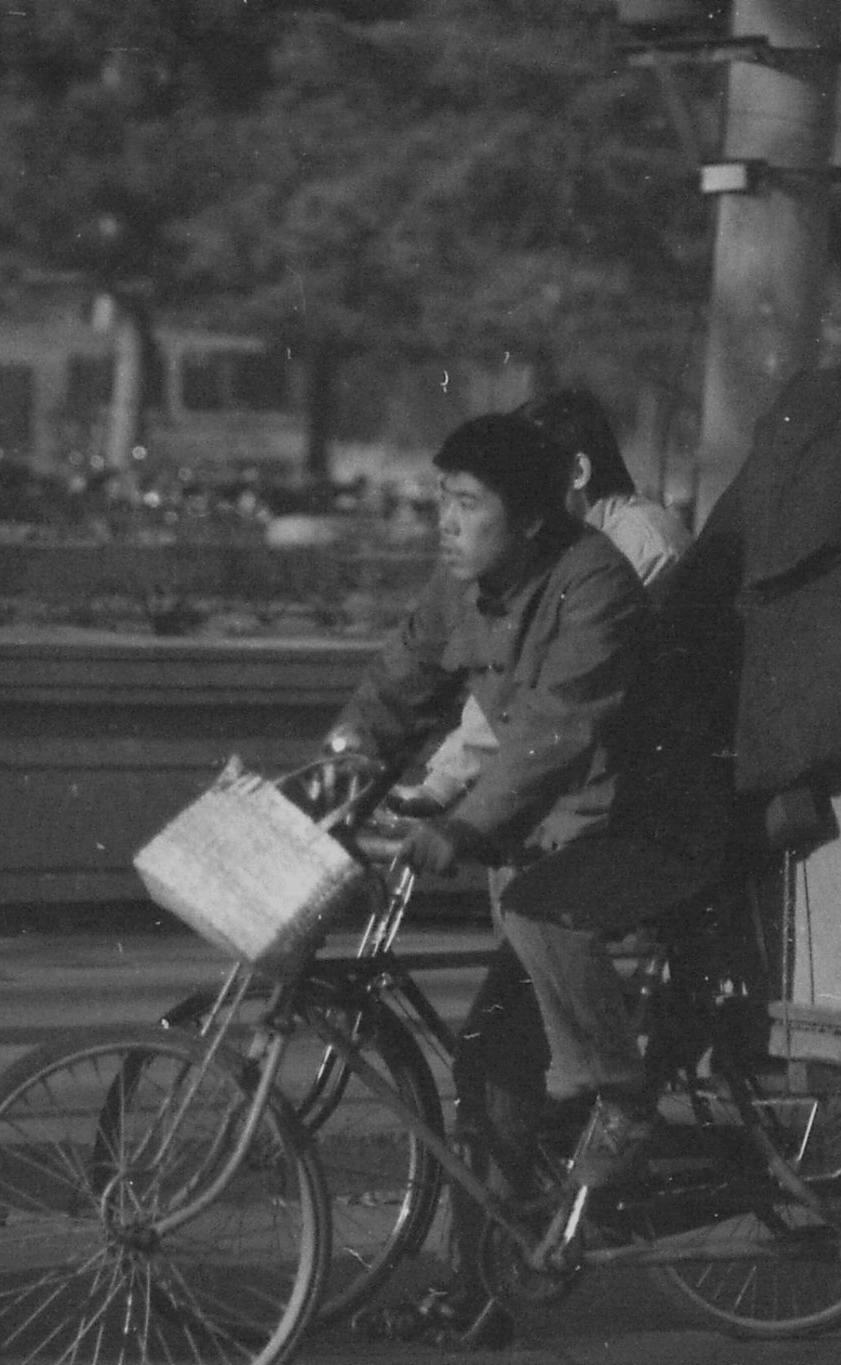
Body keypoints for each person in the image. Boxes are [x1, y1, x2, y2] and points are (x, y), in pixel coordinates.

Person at [325, 411, 655, 1343]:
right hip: (537, 826)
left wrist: (458, 830)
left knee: (530, 926)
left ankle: (621, 1095)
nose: (447, 520)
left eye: (468, 503)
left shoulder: (594, 583)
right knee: (490, 1057)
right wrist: (349, 755)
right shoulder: (464, 583)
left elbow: (557, 728)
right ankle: (487, 1288)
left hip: (619, 824)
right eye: (442, 499)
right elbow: (404, 674)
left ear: (533, 518)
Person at [391, 387, 691, 815]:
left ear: (578, 472)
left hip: (618, 805)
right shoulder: (566, 547)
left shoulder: (638, 545)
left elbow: (550, 689)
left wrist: (446, 784)